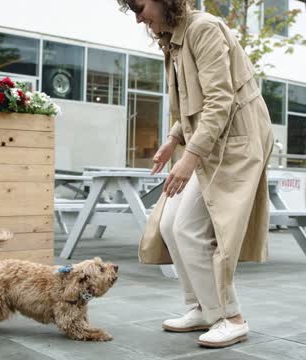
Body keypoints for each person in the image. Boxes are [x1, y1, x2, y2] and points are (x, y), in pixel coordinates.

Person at [117, 0, 274, 348]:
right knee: (170, 224)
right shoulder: (175, 37)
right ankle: (203, 308)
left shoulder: (202, 29)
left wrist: (189, 159)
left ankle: (230, 318)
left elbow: (220, 101)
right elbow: (195, 101)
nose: (138, 17)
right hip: (212, 140)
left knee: (188, 227)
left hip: (234, 142)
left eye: (139, 7)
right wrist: (174, 140)